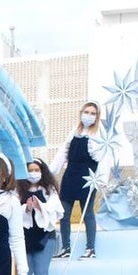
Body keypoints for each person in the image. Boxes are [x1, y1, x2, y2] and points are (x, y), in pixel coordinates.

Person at [51, 101, 107, 260]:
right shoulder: (74, 132)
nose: (89, 115)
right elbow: (63, 152)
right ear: (81, 113)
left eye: (92, 113)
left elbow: (103, 158)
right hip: (70, 175)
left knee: (88, 213)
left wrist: (101, 179)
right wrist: (51, 171)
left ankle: (90, 248)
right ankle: (65, 248)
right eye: (86, 112)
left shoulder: (98, 135)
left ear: (97, 117)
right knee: (64, 213)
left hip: (88, 177)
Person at [17, 158, 64, 275]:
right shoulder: (18, 189)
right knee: (25, 274)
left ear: (42, 171)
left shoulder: (49, 190)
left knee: (41, 274)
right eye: (30, 170)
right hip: (23, 238)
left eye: (36, 170)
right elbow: (13, 210)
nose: (33, 173)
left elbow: (53, 207)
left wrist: (39, 207)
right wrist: (26, 208)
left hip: (45, 237)